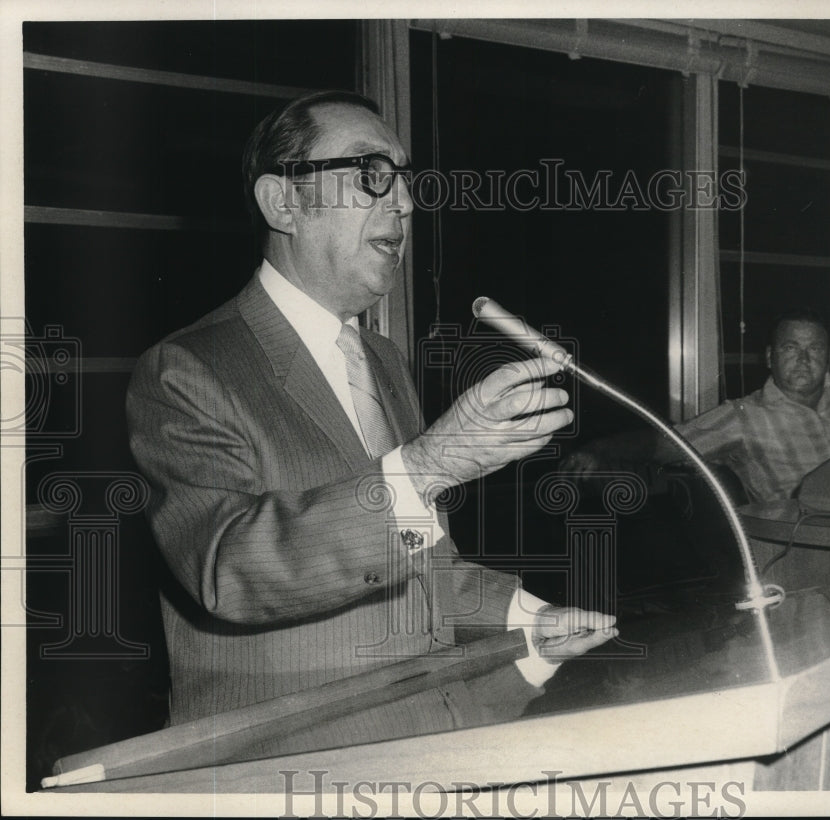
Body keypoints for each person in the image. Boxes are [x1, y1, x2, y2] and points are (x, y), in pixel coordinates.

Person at [126, 90, 615, 756]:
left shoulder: (383, 361)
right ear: (284, 204)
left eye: (405, 178)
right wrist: (429, 465)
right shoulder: (186, 370)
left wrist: (531, 620)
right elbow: (231, 569)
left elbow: (415, 564)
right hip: (287, 774)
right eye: (370, 173)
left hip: (422, 752)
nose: (406, 203)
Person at [562, 309, 830, 504]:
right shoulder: (744, 416)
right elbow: (665, 444)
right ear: (771, 358)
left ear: (829, 356)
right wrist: (598, 450)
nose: (804, 359)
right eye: (790, 348)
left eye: (815, 349)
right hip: (803, 546)